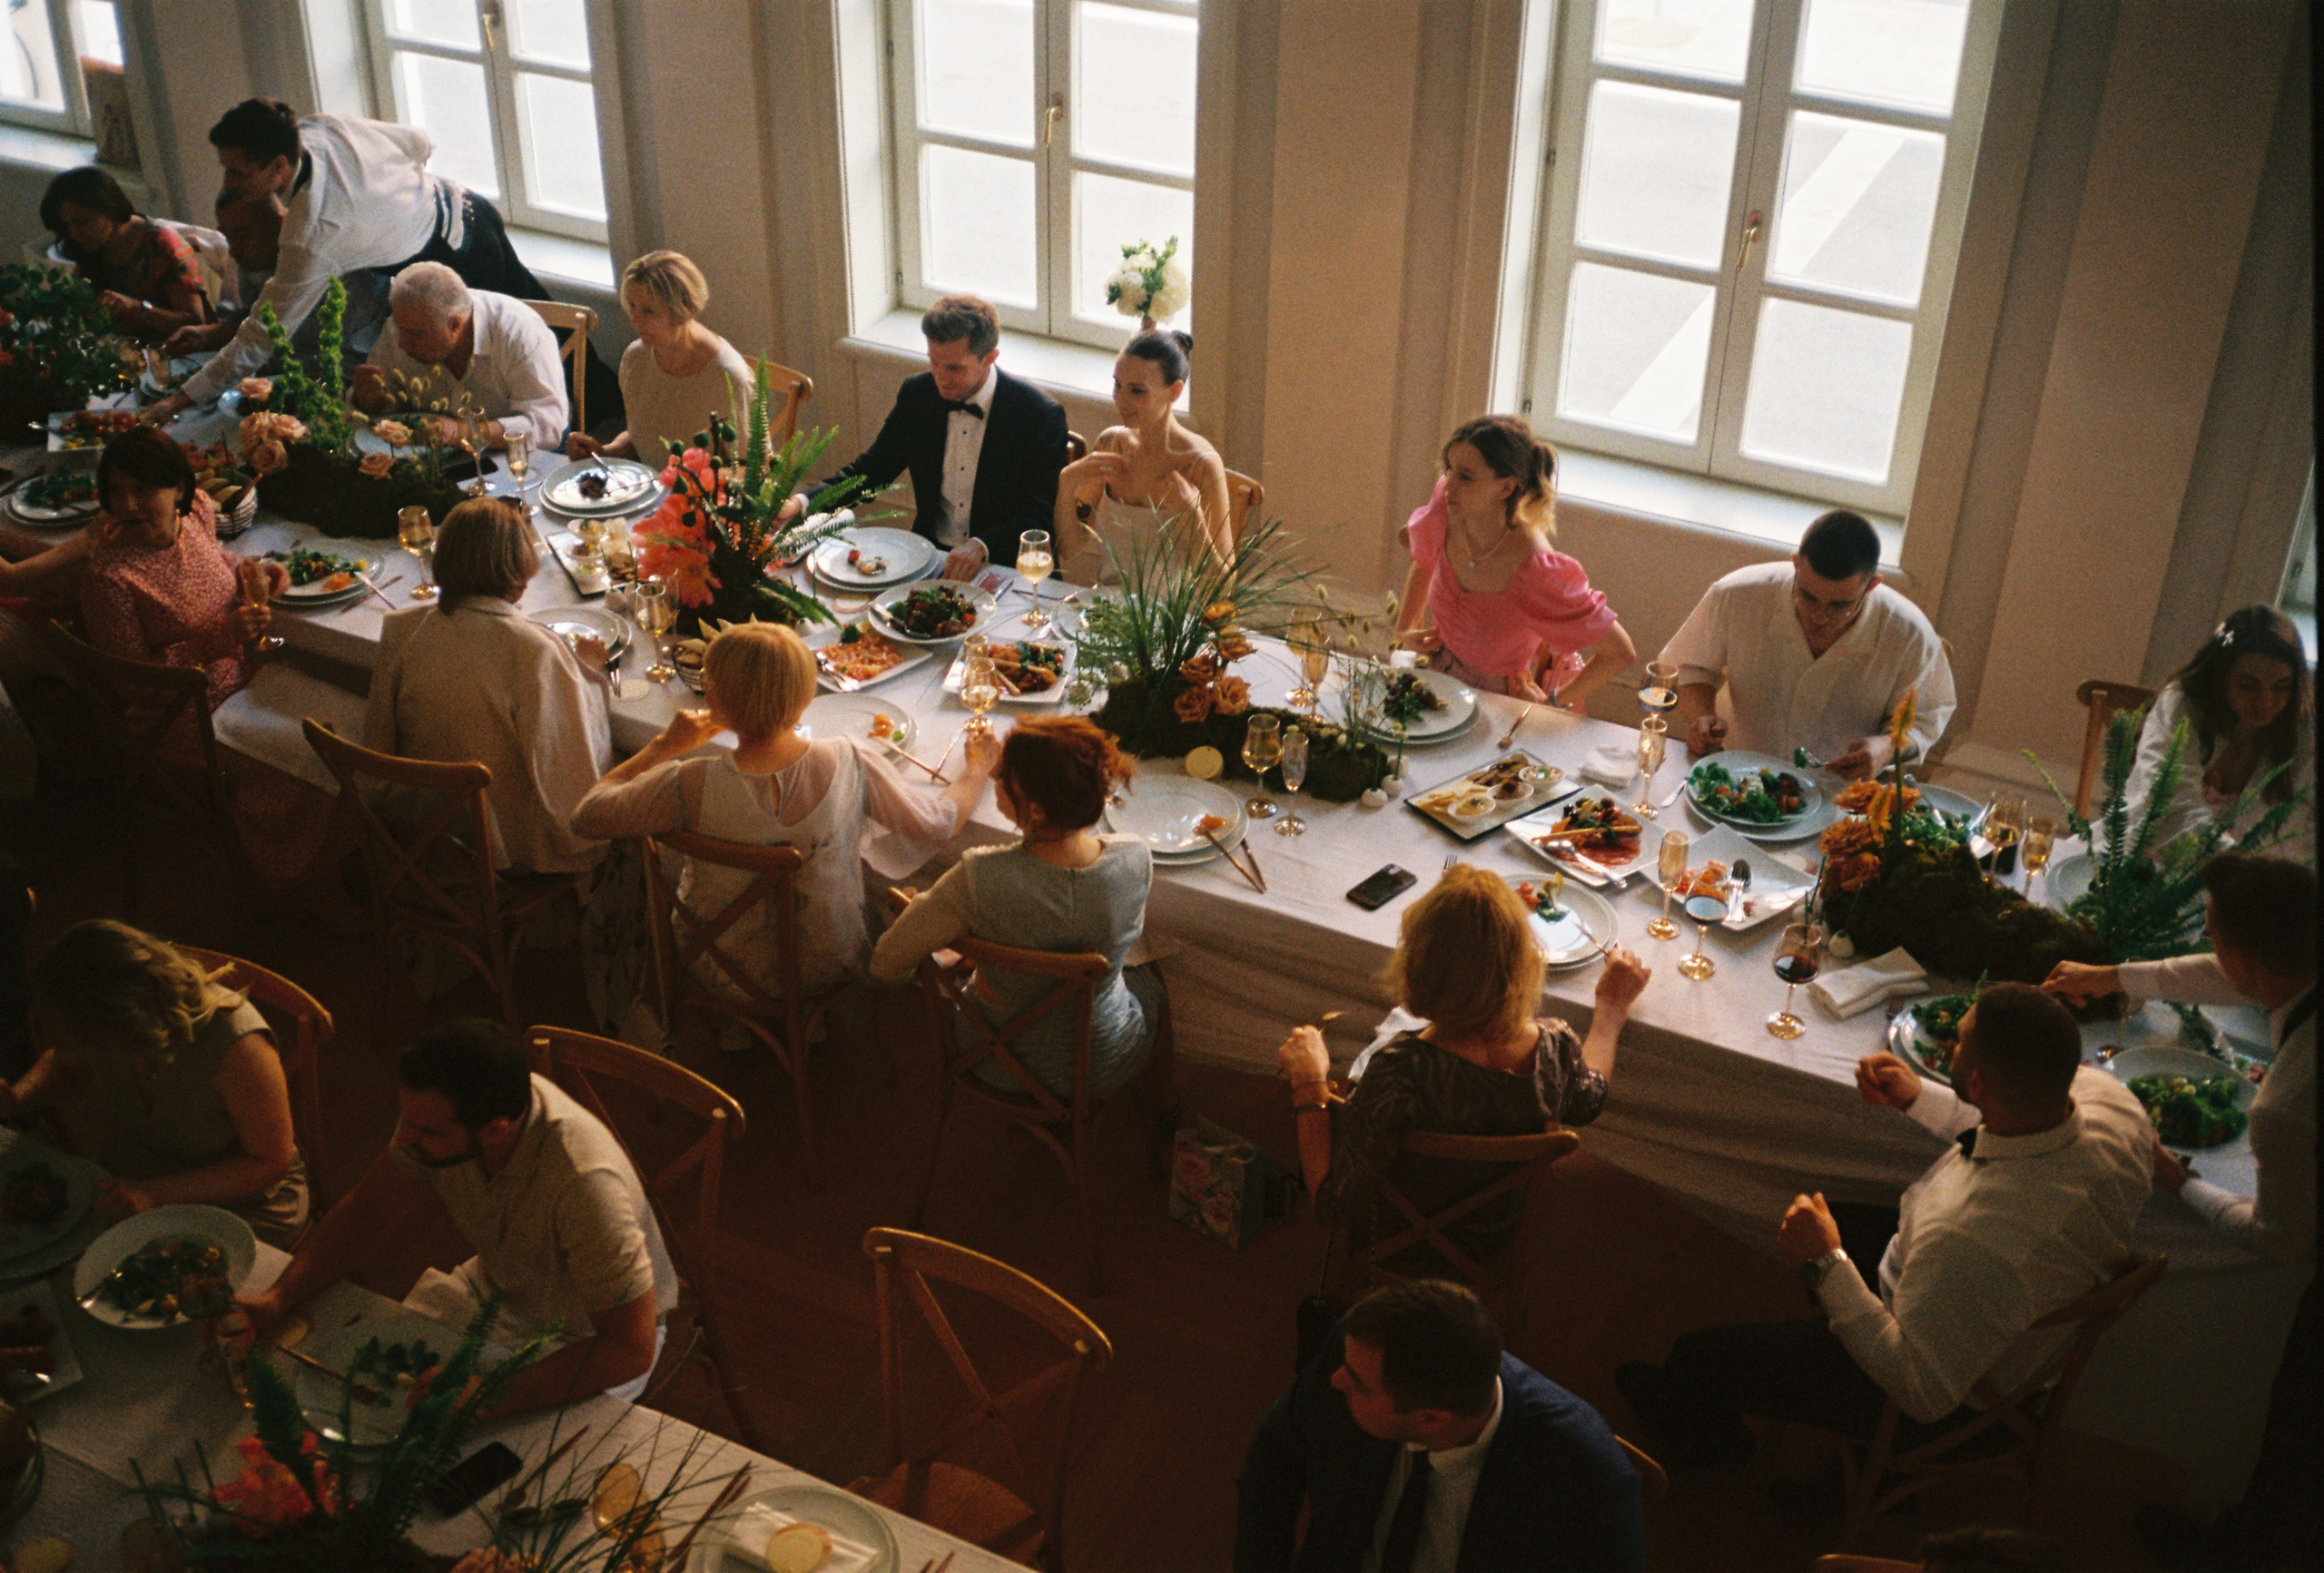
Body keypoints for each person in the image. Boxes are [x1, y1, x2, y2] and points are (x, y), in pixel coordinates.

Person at [1616, 984, 2151, 1466]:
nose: (1951, 1048)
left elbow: (1922, 1392)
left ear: (1979, 1082)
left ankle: (1716, 1450)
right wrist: (1921, 1097)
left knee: (1697, 1358)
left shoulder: (1970, 1237)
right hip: (1986, 1312)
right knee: (1829, 1210)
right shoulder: (2113, 1103)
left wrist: (1827, 1265)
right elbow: (2017, 1119)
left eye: (1960, 1044)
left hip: (1936, 1392)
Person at [2046, 856, 2317, 1573]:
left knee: (2297, 1441)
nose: (2211, 949)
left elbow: (2282, 1242)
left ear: (2246, 959)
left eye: (2214, 935)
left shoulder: (2285, 1102)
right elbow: (2223, 974)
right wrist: (2112, 976)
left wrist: (2179, 1179)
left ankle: (2249, 1546)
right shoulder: (2297, 961)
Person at [238, 1019, 675, 1415]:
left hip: (585, 1340)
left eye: (427, 1132)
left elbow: (628, 1348)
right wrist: (279, 1298)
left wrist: (489, 1395)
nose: (404, 1140)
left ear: (496, 1131)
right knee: (370, 1395)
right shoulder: (440, 1118)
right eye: (406, 1119)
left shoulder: (583, 1183)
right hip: (497, 1293)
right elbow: (368, 1211)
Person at [570, 622, 998, 1006]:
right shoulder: (851, 761)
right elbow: (937, 826)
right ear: (807, 695)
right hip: (831, 960)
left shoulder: (687, 781)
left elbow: (586, 816)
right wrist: (976, 770)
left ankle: (736, 1027)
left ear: (713, 699)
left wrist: (663, 746)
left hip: (718, 960)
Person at [1275, 864, 1649, 1271]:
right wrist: (1610, 1010)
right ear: (1522, 964)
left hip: (1391, 1245)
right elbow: (1589, 1098)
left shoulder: (1398, 1071)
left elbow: (1333, 1206)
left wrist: (1308, 1084)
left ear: (1418, 969)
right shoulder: (1555, 1050)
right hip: (1496, 1243)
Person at [148, 98, 563, 422]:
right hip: (469, 206)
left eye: (238, 172)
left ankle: (572, 439)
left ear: (278, 167)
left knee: (531, 349)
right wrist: (395, 201)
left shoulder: (314, 235)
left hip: (458, 254)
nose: (227, 182)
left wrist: (180, 400)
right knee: (546, 339)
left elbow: (263, 334)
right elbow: (418, 143)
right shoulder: (319, 128)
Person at [1236, 1279, 1644, 1573]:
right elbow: (1274, 1456)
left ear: (1432, 1420)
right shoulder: (1359, 1354)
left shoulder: (1585, 1477)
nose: (1336, 1380)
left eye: (1357, 1384)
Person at [872, 716, 1167, 1102]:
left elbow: (884, 964)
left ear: (1036, 810)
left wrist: (940, 957)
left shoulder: (979, 875)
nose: (995, 780)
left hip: (997, 1059)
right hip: (1106, 1058)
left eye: (1002, 778)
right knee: (1151, 976)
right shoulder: (1136, 855)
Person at [2, 920, 303, 1243]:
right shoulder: (108, 1028)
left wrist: (155, 1193)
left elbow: (270, 1162)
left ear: (126, 1016)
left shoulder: (235, 1042)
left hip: (243, 1201)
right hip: (140, 1176)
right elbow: (65, 1067)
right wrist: (16, 1100)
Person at [364, 497, 611, 874]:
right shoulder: (533, 651)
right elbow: (571, 787)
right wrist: (587, 673)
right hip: (502, 855)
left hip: (419, 839)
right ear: (517, 573)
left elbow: (376, 746)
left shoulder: (401, 629)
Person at [1659, 509, 1955, 780]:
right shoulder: (1736, 596)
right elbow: (1688, 667)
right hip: (1738, 776)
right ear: (1795, 565)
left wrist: (1887, 747)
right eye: (1808, 596)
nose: (1819, 616)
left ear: (1872, 585)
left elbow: (1925, 720)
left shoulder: (1909, 635)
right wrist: (1701, 717)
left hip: (1841, 792)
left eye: (1839, 605)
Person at [1393, 416, 1636, 707]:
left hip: (1495, 702)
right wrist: (1404, 630)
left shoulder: (1534, 568)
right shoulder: (1449, 505)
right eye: (1449, 468)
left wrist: (1551, 704)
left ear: (1506, 487)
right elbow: (1424, 559)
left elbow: (1619, 653)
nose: (1449, 484)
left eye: (1466, 476)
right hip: (1431, 677)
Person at [823, 295, 1068, 580]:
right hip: (931, 559)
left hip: (1005, 567)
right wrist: (805, 503)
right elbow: (871, 471)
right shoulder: (918, 395)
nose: (940, 377)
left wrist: (981, 545)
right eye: (933, 362)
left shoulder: (1038, 415)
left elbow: (1039, 515)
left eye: (954, 368)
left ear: (990, 358)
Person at [81, 426, 286, 711]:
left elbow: (213, 558)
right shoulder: (108, 579)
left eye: (142, 490)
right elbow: (135, 684)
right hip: (191, 711)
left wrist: (252, 572)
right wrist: (223, 636)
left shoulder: (195, 512)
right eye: (116, 490)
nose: (128, 505)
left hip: (245, 674)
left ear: (178, 488)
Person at [2122, 606, 2314, 860]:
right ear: (2220, 675)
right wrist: (2233, 863)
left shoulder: (2304, 732)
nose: (2265, 703)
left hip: (2252, 877)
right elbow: (2163, 803)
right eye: (2248, 686)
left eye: (2281, 687)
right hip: (2152, 865)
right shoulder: (2185, 704)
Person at [1055, 330, 1229, 583]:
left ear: (1175, 391)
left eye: (1137, 391)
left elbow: (1224, 586)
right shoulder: (1111, 445)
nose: (1120, 400)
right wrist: (1066, 482)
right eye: (1117, 385)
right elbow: (1069, 549)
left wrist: (1192, 519)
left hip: (1171, 608)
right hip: (1106, 603)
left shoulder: (1200, 465)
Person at [566, 251, 755, 471]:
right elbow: (642, 440)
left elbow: (751, 469)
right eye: (632, 305)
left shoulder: (728, 378)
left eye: (648, 311)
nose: (635, 320)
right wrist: (604, 452)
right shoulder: (635, 358)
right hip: (650, 487)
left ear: (687, 310)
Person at [352, 262, 568, 451]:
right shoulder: (402, 325)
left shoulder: (519, 333)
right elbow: (385, 403)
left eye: (416, 335)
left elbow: (547, 426)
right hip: (432, 459)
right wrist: (369, 399)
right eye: (400, 330)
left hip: (512, 459)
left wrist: (464, 433)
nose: (402, 343)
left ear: (455, 325)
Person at [162, 189, 392, 364]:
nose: (234, 251)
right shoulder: (255, 262)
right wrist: (212, 334)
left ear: (281, 224)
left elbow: (349, 360)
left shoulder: (339, 271)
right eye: (228, 238)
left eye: (243, 236)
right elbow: (259, 315)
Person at [39, 166, 213, 344]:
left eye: (83, 222)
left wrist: (137, 308)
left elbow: (196, 322)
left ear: (110, 208)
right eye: (67, 225)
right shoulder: (90, 247)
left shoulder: (161, 244)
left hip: (176, 352)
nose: (75, 233)